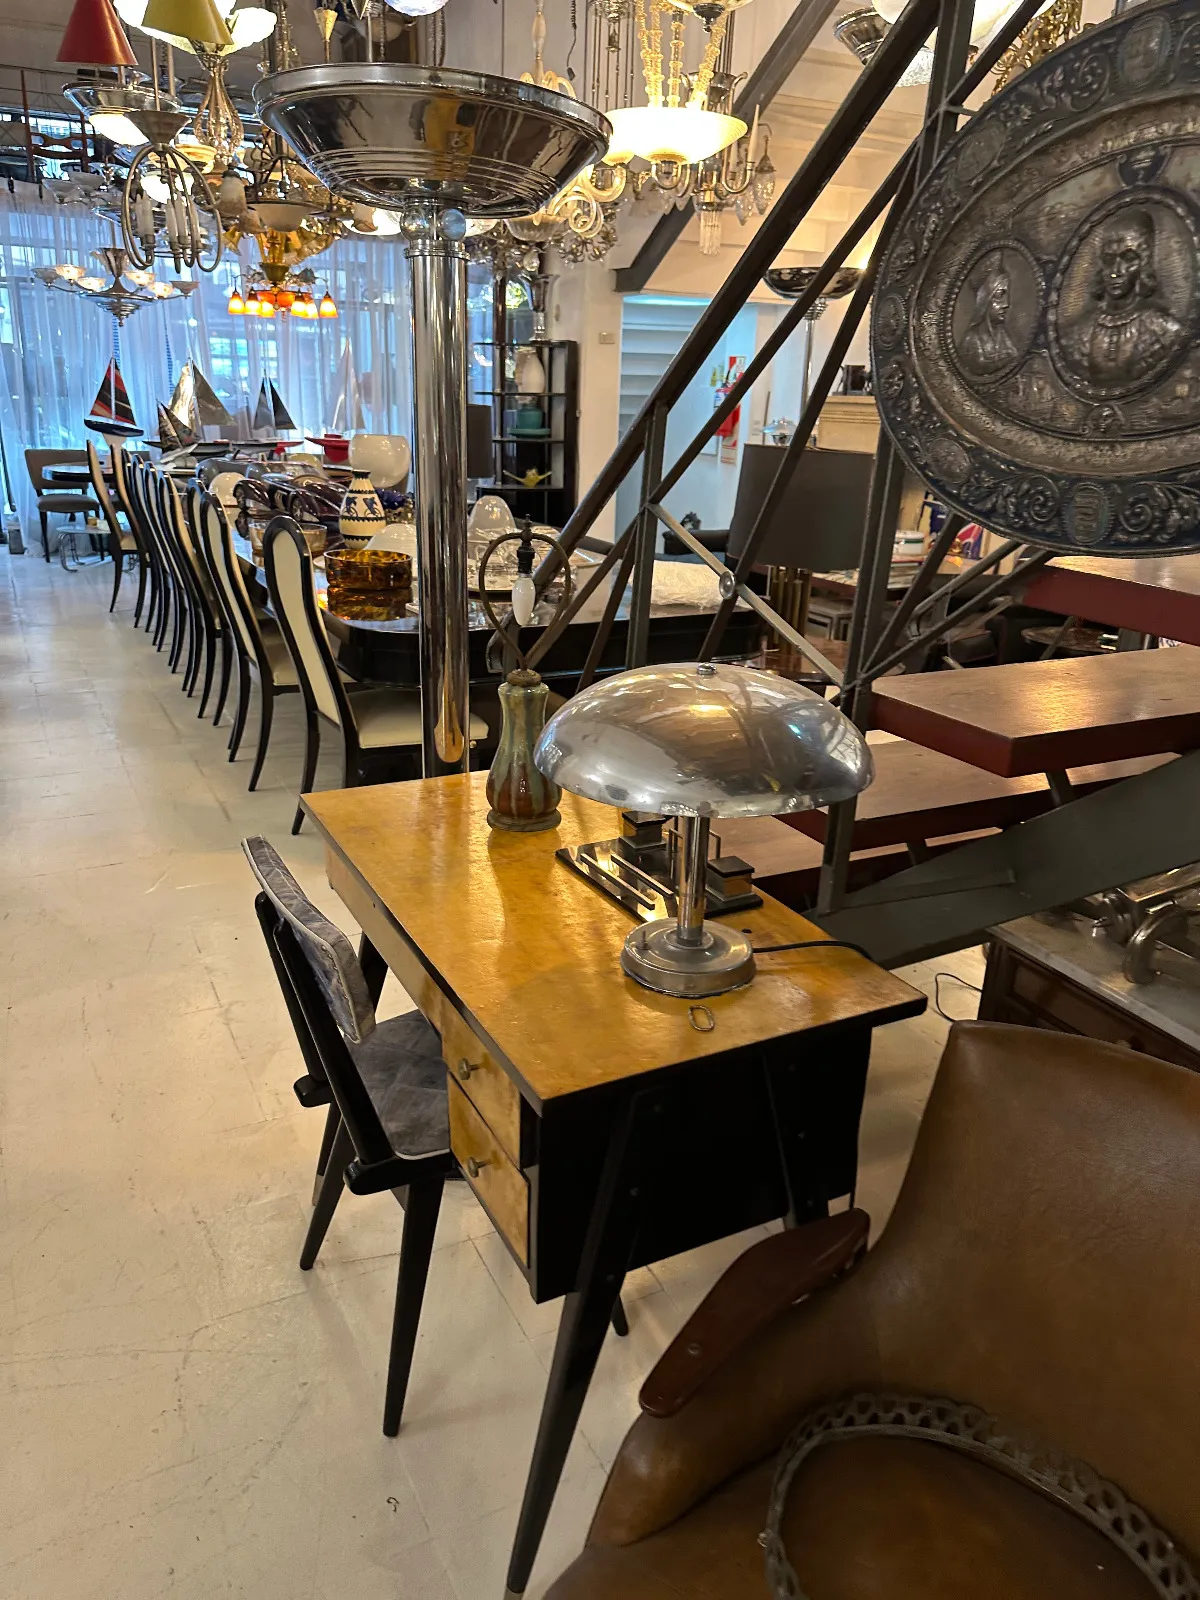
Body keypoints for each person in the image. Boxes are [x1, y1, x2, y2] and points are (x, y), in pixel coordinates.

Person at [1060, 208, 1186, 390]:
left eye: (1128, 259)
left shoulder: (1164, 331)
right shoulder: (1076, 335)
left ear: (1144, 263)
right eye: (1109, 259)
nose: (1115, 272)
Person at [959, 253, 1020, 378]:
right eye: (999, 296)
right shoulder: (970, 341)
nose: (1006, 304)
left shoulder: (1003, 337)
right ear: (984, 300)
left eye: (1006, 296)